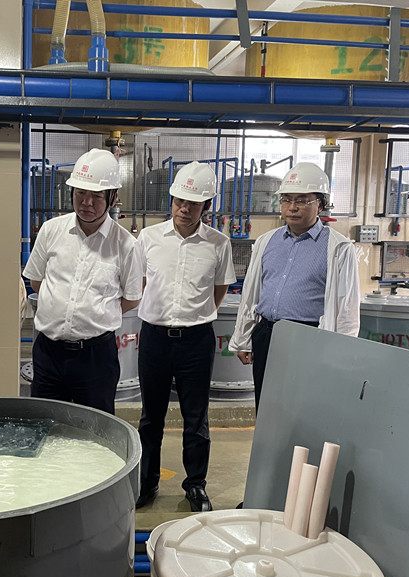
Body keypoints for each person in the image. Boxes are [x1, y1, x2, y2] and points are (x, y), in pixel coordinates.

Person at [134, 161, 236, 512]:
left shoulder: (219, 244)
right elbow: (140, 283)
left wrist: (194, 315)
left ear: (207, 206)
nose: (184, 208)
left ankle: (195, 485)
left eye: (193, 203)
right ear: (171, 199)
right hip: (154, 338)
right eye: (179, 200)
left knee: (196, 418)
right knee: (151, 417)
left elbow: (219, 290)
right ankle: (147, 481)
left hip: (196, 341)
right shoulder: (148, 238)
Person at [228, 162, 360, 414]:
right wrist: (243, 339)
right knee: (266, 407)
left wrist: (342, 353)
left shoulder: (338, 248)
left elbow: (347, 306)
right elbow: (251, 295)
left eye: (302, 200)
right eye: (286, 200)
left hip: (309, 338)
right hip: (266, 334)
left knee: (304, 410)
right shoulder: (266, 242)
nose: (292, 207)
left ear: (321, 204)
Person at [22, 148, 142, 414]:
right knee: (44, 423)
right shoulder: (52, 230)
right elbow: (37, 281)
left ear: (112, 198)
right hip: (48, 352)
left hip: (95, 357)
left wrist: (94, 314)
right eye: (80, 193)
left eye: (96, 196)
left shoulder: (126, 245)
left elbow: (132, 298)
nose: (86, 202)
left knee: (95, 429)